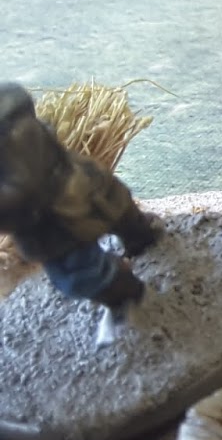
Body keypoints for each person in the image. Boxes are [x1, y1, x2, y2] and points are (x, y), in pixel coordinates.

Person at [0, 83, 161, 344]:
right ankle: (137, 250)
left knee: (81, 274)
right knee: (120, 219)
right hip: (62, 203)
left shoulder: (14, 133)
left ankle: (129, 296)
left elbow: (26, 187)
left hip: (59, 212)